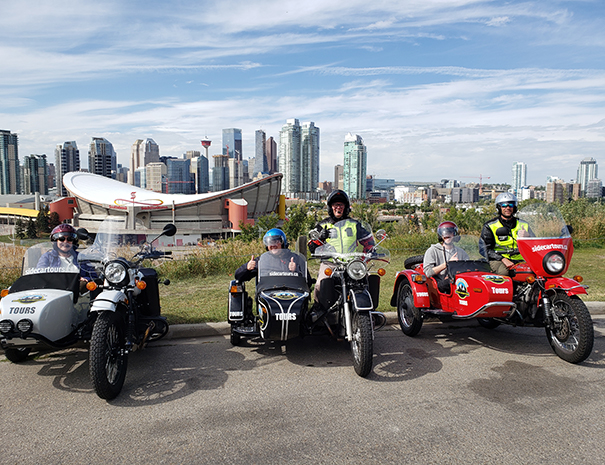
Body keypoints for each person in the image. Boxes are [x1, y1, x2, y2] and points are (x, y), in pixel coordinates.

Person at [307, 189, 375, 308]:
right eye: (335, 204)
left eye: (341, 204)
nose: (338, 207)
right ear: (330, 207)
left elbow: (369, 242)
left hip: (352, 263)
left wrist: (366, 257)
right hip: (330, 263)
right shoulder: (323, 225)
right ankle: (318, 311)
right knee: (319, 285)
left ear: (346, 207)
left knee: (366, 282)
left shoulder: (354, 224)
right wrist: (321, 238)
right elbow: (312, 246)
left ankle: (368, 312)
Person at [234, 228, 311, 285]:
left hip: (291, 293)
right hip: (267, 294)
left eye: (276, 241)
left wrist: (296, 271)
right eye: (270, 242)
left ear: (283, 243)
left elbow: (308, 281)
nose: (273, 245)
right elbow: (238, 276)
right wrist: (247, 268)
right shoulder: (261, 260)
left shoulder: (296, 258)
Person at [480, 192, 530, 276]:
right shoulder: (490, 226)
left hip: (521, 259)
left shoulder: (523, 224)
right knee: (504, 273)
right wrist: (502, 259)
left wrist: (528, 237)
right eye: (504, 205)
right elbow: (484, 249)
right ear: (499, 207)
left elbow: (535, 245)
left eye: (510, 205)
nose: (507, 208)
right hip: (498, 259)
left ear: (514, 207)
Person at [423, 221, 469, 293]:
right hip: (440, 284)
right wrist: (447, 264)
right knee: (449, 282)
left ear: (454, 235)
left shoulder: (461, 252)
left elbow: (468, 269)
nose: (447, 235)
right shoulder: (432, 251)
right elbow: (428, 272)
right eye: (444, 233)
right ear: (441, 235)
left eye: (450, 233)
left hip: (459, 282)